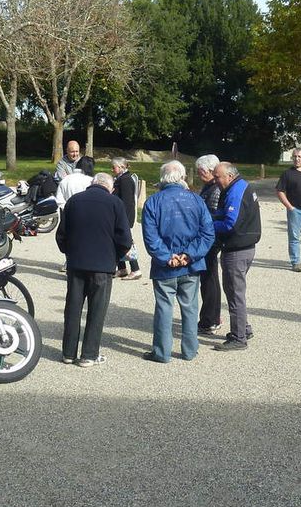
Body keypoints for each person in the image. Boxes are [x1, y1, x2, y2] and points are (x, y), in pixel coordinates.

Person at [141, 161, 215, 363]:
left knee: (164, 308)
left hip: (166, 266)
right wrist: (188, 255)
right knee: (190, 307)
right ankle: (190, 350)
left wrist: (167, 257)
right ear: (182, 177)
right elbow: (207, 234)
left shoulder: (153, 202)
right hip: (190, 265)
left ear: (162, 178)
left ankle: (162, 352)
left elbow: (151, 237)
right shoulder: (196, 200)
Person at [55, 172, 133, 367]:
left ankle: (68, 353)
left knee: (72, 308)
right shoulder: (115, 203)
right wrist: (115, 257)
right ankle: (89, 354)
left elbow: (61, 235)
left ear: (92, 183)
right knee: (97, 310)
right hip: (103, 265)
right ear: (110, 187)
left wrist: (70, 253)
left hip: (77, 263)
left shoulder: (73, 201)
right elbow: (125, 239)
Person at [211, 162, 261, 351]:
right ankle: (243, 328)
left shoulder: (236, 191)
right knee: (234, 291)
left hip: (237, 250)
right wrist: (214, 216)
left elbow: (230, 223)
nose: (215, 181)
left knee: (234, 293)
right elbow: (225, 214)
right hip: (245, 247)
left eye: (218, 177)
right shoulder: (240, 186)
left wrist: (207, 225)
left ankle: (239, 338)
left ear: (229, 176)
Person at [195, 154, 223, 334]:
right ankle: (210, 316)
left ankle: (210, 319)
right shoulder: (209, 185)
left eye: (201, 172)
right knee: (207, 279)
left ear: (211, 171)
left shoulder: (216, 189)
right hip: (207, 238)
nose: (199, 176)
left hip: (210, 240)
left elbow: (212, 214)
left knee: (210, 279)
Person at [112, 157, 142, 281]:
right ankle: (122, 268)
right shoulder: (122, 178)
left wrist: (123, 218)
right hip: (120, 216)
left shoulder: (125, 180)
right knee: (117, 242)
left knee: (126, 242)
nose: (112, 169)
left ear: (121, 167)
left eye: (113, 167)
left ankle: (135, 269)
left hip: (124, 217)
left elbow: (127, 202)